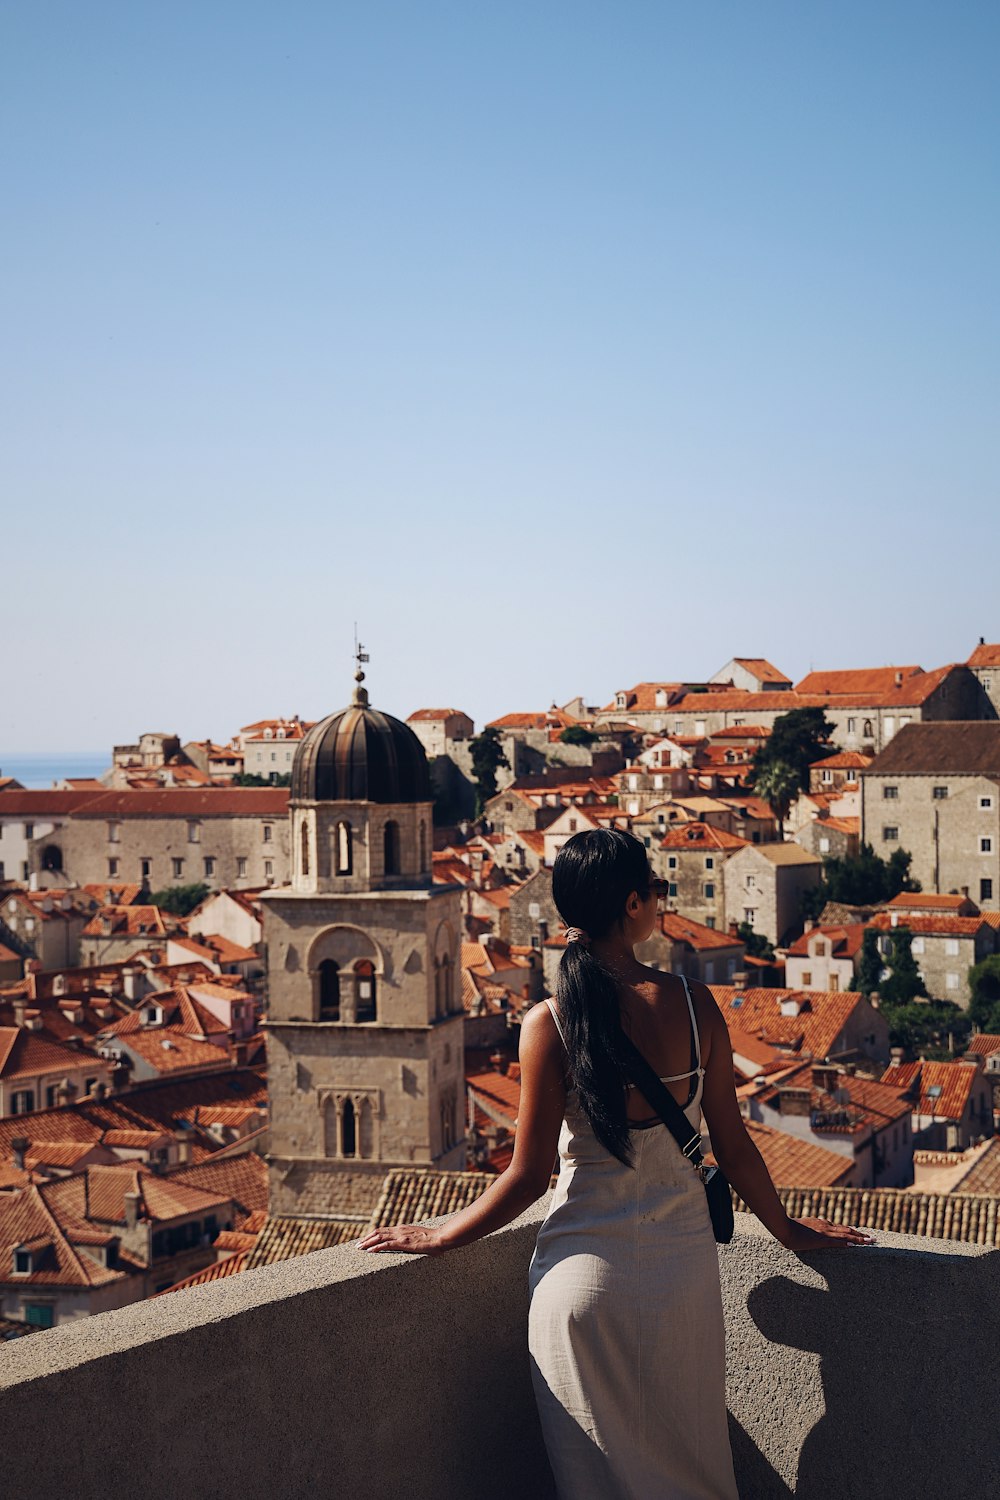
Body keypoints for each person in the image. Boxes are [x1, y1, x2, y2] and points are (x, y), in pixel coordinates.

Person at [359, 828, 874, 1498]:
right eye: (658, 890)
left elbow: (526, 1174)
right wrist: (787, 1229)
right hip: (680, 1285)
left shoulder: (548, 1023)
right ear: (632, 905)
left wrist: (445, 1234)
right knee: (694, 1475)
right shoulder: (695, 1006)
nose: (663, 901)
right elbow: (735, 1147)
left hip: (580, 1290)